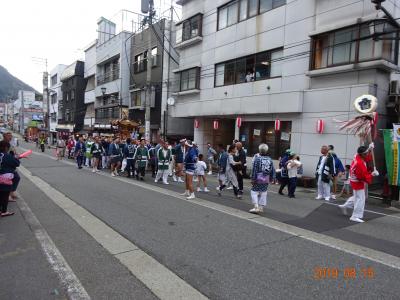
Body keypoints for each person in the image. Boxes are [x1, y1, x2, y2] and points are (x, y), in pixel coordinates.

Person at [339, 144, 378, 223]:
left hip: (354, 180)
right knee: (360, 199)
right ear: (362, 154)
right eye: (366, 153)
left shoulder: (357, 155)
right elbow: (363, 177)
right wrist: (372, 174)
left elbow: (366, 158)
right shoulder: (360, 164)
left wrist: (369, 148)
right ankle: (355, 216)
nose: (367, 154)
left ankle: (345, 206)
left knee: (357, 197)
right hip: (357, 181)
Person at [249, 143, 275, 213]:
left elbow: (255, 170)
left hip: (258, 178)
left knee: (254, 192)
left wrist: (253, 179)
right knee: (263, 192)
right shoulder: (270, 159)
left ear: (260, 151)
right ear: (266, 151)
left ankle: (256, 207)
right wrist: (272, 178)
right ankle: (261, 207)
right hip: (266, 178)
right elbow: (272, 170)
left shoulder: (257, 159)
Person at [0, 141, 20, 217]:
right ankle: (4, 211)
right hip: (4, 179)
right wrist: (14, 156)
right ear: (6, 148)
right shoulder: (7, 156)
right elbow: (17, 163)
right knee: (5, 195)